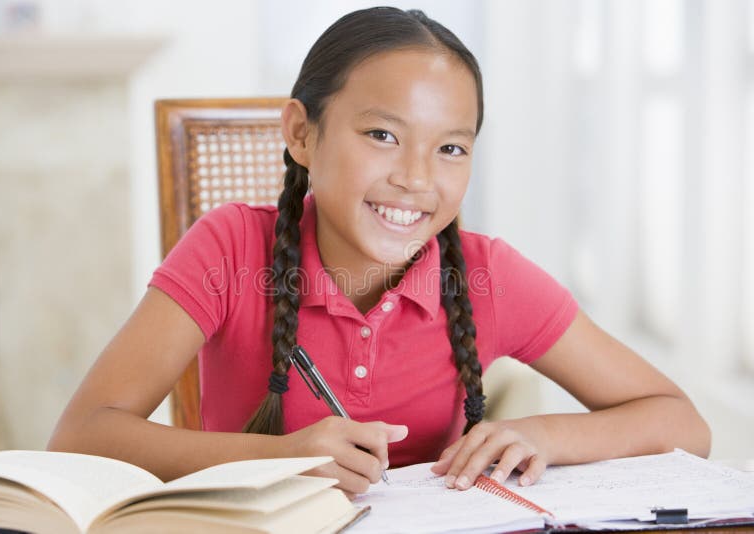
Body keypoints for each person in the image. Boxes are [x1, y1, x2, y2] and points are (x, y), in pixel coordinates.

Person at [48, 6, 710, 496]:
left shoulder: (488, 276)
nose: (418, 178)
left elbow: (682, 423)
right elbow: (81, 436)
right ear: (302, 135)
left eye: (451, 147)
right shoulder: (229, 249)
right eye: (383, 135)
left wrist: (546, 435)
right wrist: (276, 455)